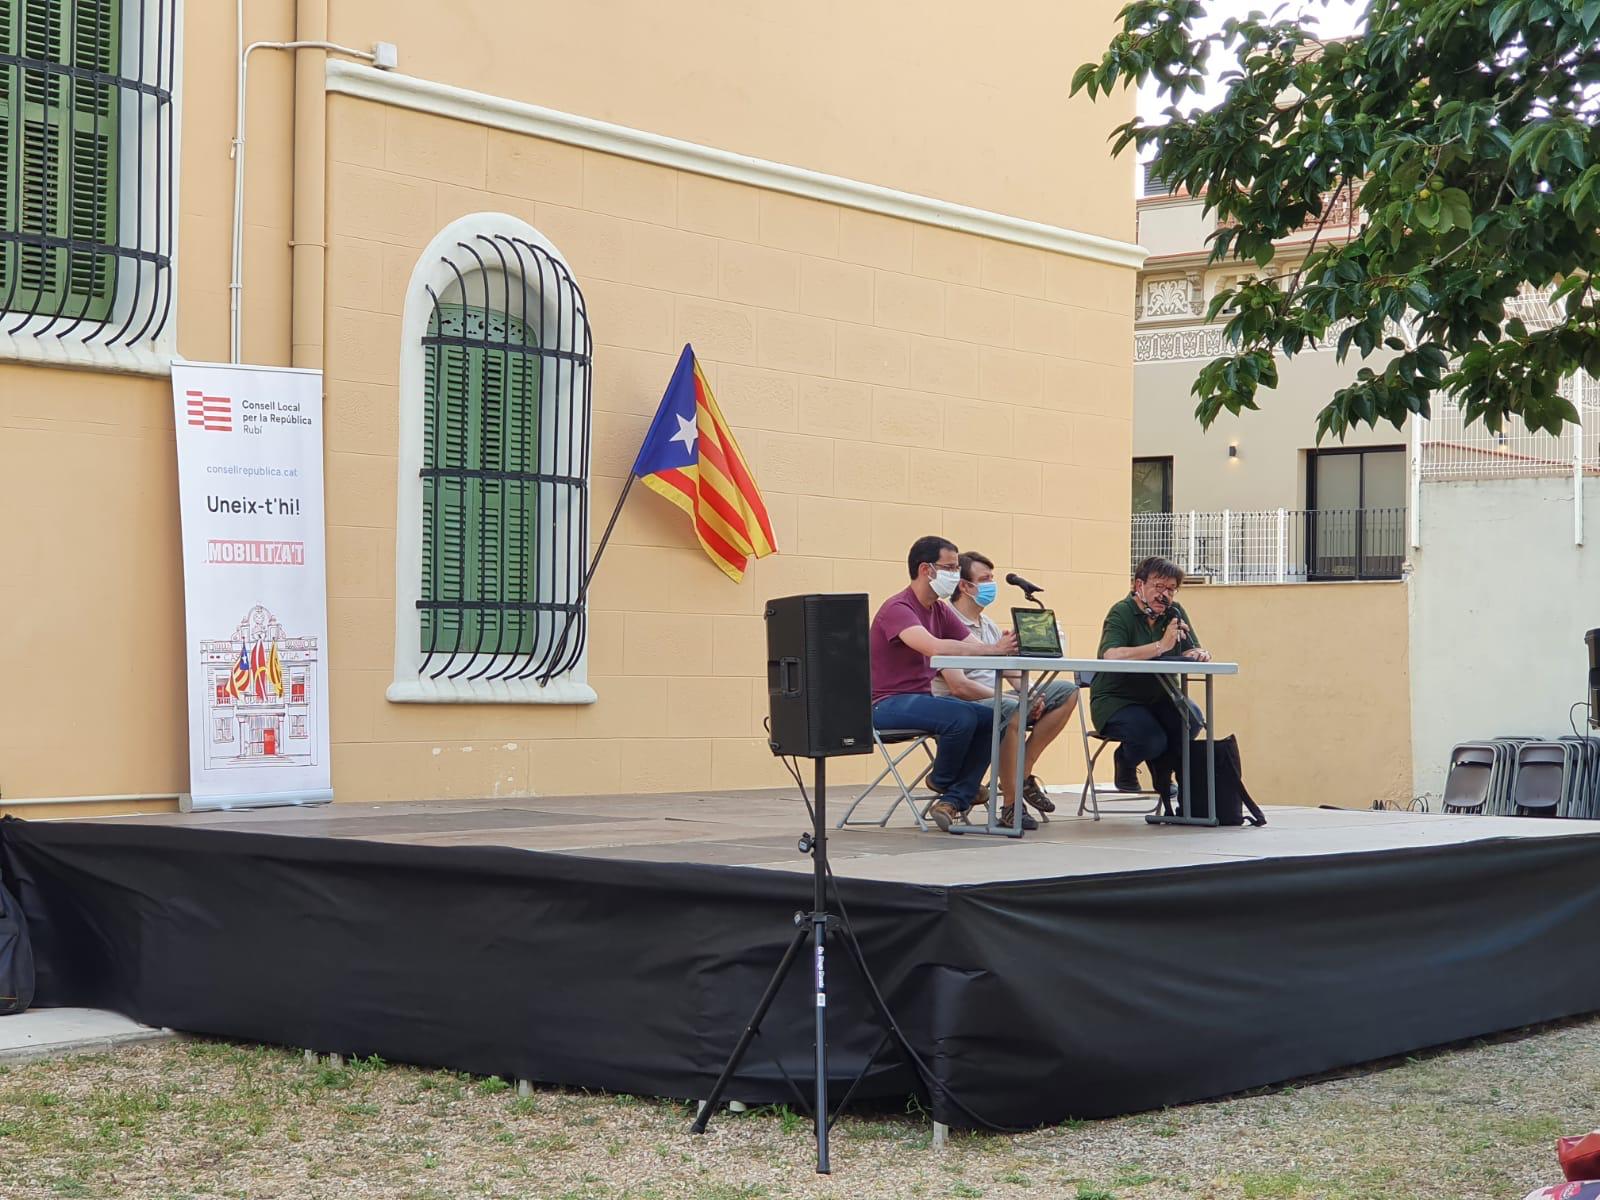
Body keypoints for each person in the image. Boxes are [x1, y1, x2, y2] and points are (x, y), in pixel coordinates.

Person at [870, 536, 1017, 833]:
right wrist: (992, 650)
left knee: (992, 715)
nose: (954, 575)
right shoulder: (898, 608)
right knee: (961, 715)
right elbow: (934, 647)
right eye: (949, 568)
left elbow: (973, 646)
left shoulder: (940, 610)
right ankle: (945, 780)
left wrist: (1008, 648)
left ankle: (953, 798)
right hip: (885, 704)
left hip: (921, 701)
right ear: (926, 570)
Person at [932, 551, 1078, 830]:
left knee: (1065, 691)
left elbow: (1011, 672)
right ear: (964, 586)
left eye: (992, 579)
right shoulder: (946, 623)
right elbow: (958, 686)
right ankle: (1011, 804)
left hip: (1000, 698)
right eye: (984, 579)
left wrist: (1033, 694)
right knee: (1009, 708)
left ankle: (1022, 774)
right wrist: (1012, 699)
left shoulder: (987, 625)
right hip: (964, 704)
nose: (991, 586)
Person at [1092, 556, 1213, 801]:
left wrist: (1199, 653)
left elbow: (1190, 648)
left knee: (1191, 720)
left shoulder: (1175, 613)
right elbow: (1111, 655)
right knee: (1151, 738)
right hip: (1118, 700)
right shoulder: (1121, 612)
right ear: (1139, 586)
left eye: (1171, 589)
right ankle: (1125, 760)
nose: (1165, 595)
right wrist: (1160, 646)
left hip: (1161, 696)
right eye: (1158, 587)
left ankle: (1165, 777)